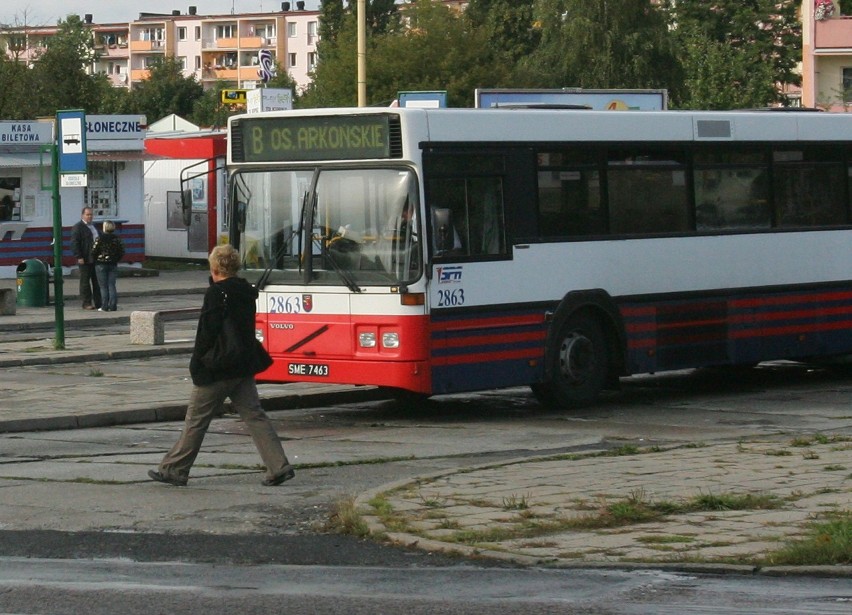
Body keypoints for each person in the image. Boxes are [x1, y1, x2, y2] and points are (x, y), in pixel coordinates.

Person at [148, 244, 295, 487]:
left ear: (215, 267)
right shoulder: (246, 291)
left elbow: (207, 332)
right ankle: (279, 466)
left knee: (196, 418)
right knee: (254, 415)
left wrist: (197, 363)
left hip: (218, 366)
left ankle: (174, 468)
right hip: (243, 363)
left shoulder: (217, 293)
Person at [70, 206, 101, 310]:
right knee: (85, 282)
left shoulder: (94, 227)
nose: (89, 217)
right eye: (87, 214)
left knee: (97, 281)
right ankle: (86, 302)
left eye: (91, 214)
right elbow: (75, 243)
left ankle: (99, 302)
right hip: (85, 258)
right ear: (82, 215)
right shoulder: (78, 227)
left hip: (96, 258)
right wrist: (79, 256)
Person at [91, 220, 125, 312]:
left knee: (103, 286)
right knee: (111, 285)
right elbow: (122, 251)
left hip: (101, 264)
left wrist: (96, 259)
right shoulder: (117, 239)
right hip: (113, 264)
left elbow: (94, 251)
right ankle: (113, 306)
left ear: (104, 227)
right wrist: (115, 259)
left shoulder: (100, 239)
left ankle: (104, 306)